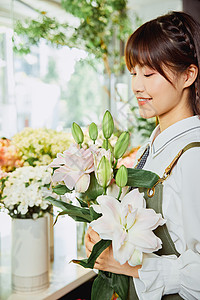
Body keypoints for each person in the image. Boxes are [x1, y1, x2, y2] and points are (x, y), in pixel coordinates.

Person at [85, 11, 200, 299]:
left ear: (188, 74)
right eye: (133, 72)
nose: (137, 86)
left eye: (149, 73)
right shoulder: (156, 145)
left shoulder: (193, 157)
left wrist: (132, 266)